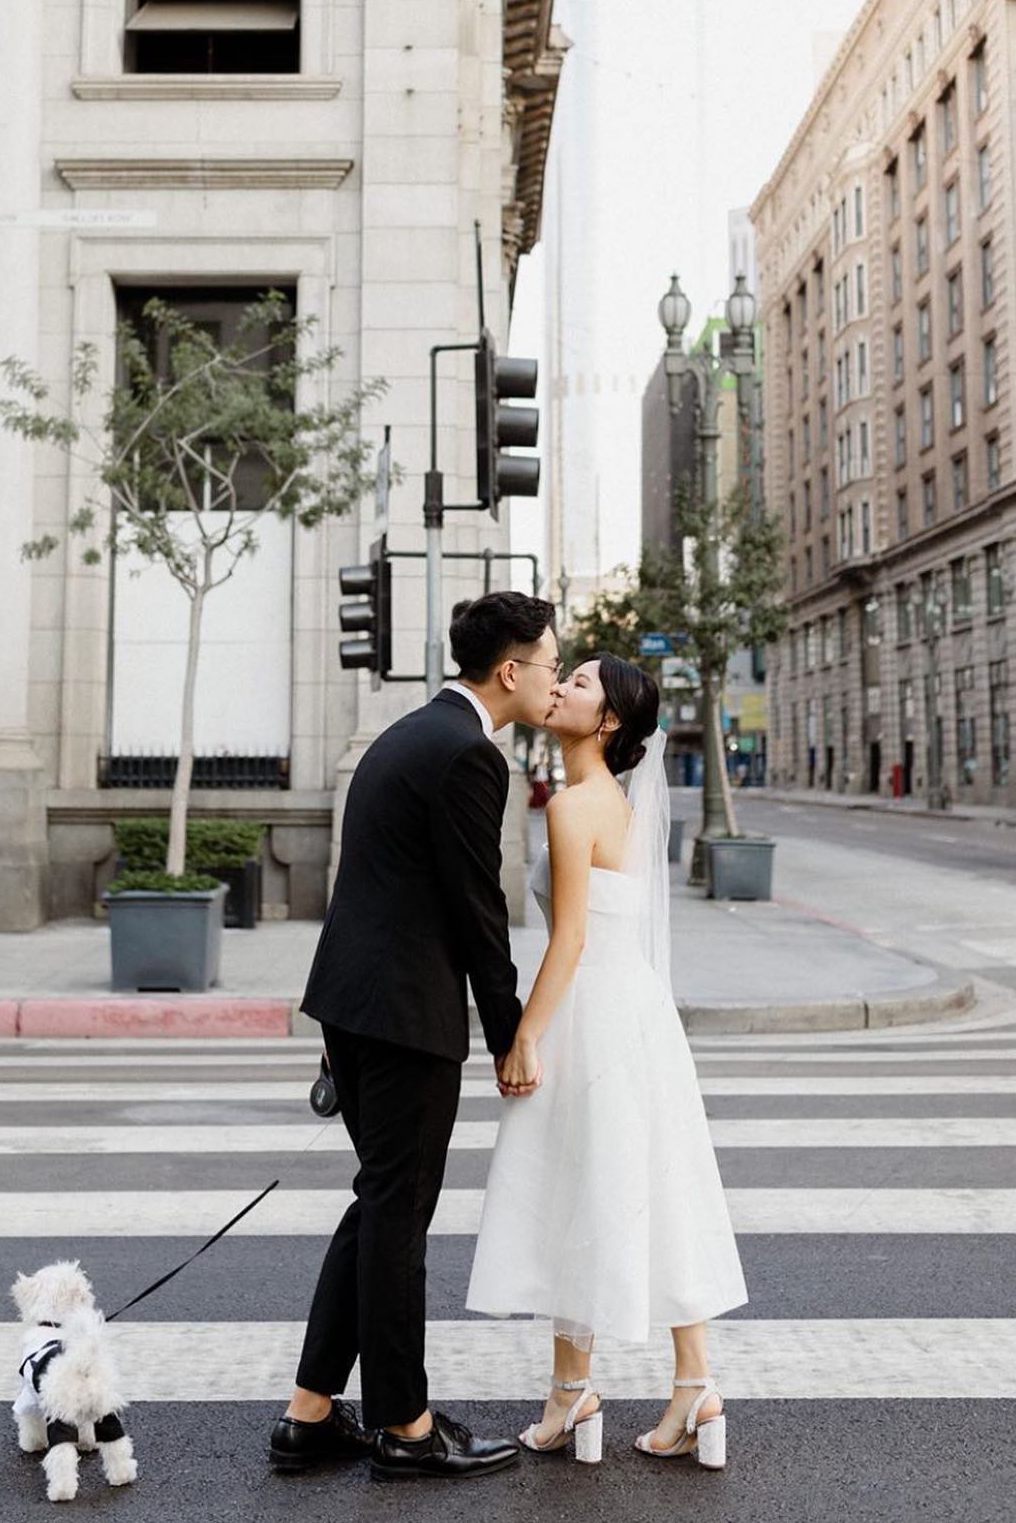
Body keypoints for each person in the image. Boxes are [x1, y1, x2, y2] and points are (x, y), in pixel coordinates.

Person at [270, 590, 559, 1481]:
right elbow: (478, 908)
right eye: (551, 665)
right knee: (398, 1218)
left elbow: (376, 886)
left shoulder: (406, 734)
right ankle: (405, 1427)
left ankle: (310, 1416)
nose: (554, 681)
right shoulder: (469, 755)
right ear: (508, 670)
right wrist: (511, 1033)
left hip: (354, 1005)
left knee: (378, 1204)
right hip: (402, 1016)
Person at [466, 653, 748, 1470]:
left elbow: (570, 940)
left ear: (609, 720)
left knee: (574, 1189)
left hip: (588, 1010)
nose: (560, 686)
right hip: (638, 1014)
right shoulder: (621, 804)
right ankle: (692, 1384)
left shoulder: (570, 805)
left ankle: (572, 1391)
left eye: (580, 682)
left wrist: (523, 1035)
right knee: (654, 1186)